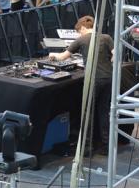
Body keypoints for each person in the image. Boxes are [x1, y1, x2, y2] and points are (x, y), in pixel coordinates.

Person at [48, 16, 114, 150]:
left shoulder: (81, 39)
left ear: (83, 27)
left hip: (94, 80)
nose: (79, 33)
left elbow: (62, 57)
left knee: (88, 112)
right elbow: (116, 54)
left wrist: (52, 55)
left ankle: (87, 146)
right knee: (104, 111)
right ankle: (106, 145)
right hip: (108, 78)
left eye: (79, 31)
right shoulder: (106, 37)